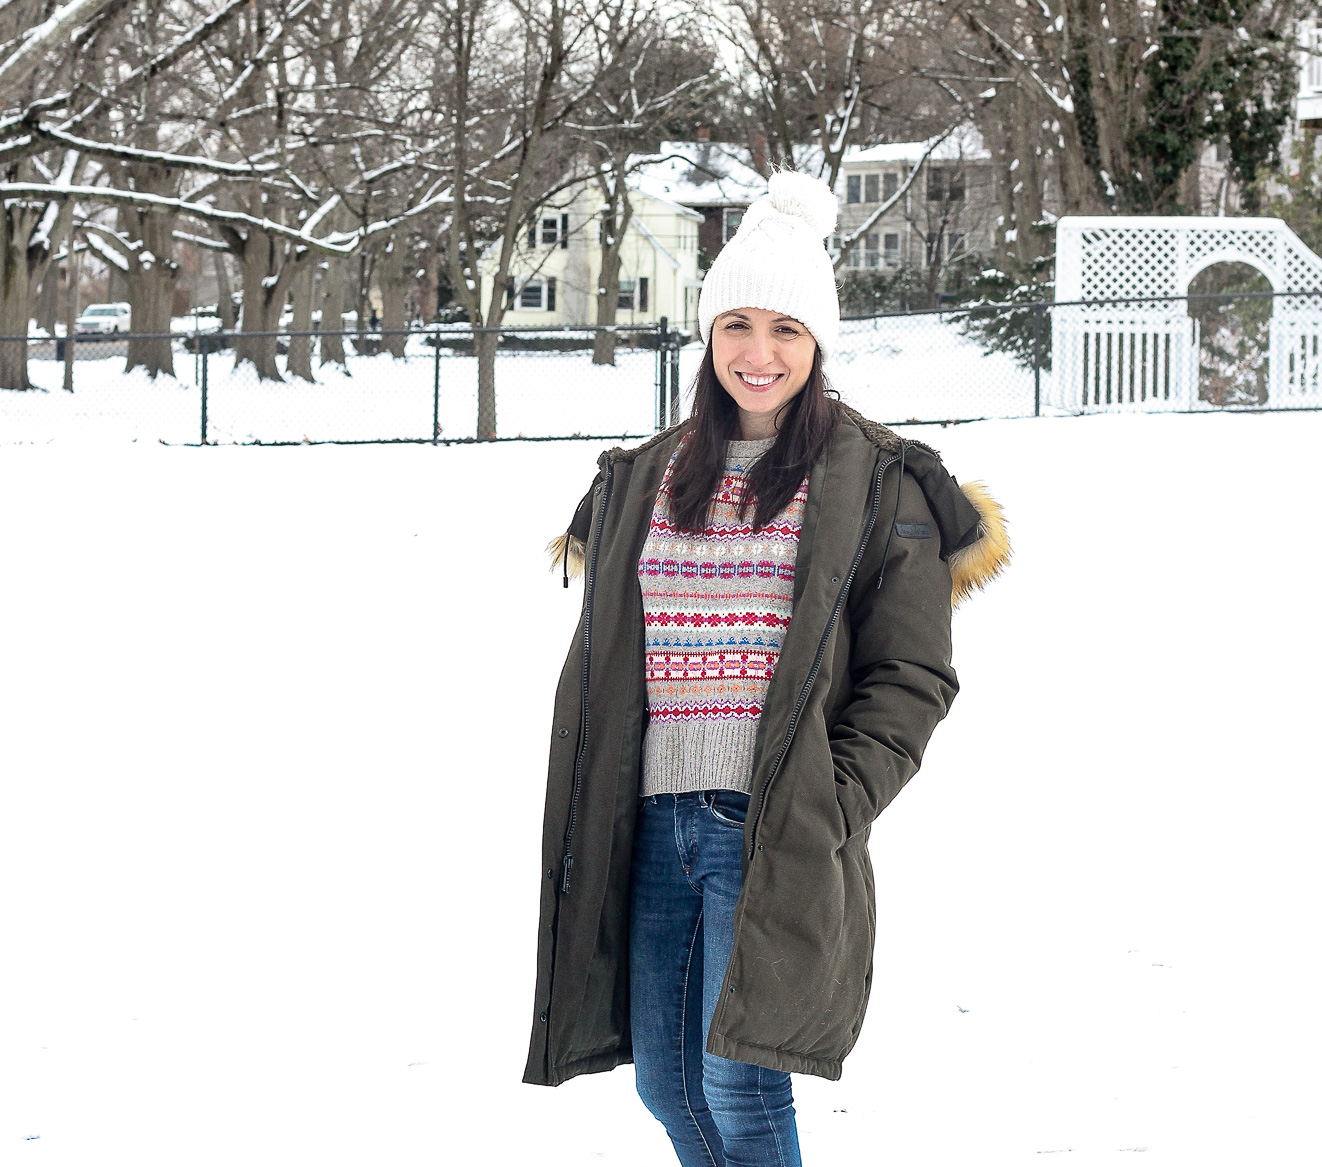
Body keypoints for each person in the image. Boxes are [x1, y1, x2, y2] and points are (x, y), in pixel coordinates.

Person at [524, 171, 1011, 1166]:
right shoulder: (639, 479)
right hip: (653, 823)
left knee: (738, 1088)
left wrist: (828, 803)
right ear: (706, 337)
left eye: (785, 329)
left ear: (816, 344)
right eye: (736, 323)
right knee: (668, 1086)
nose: (758, 351)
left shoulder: (880, 481)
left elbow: (910, 675)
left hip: (773, 824)